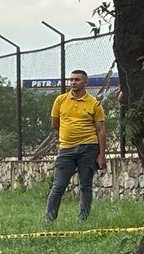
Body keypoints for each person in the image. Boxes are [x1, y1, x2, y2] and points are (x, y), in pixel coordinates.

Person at [45, 69, 107, 222]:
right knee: (58, 186)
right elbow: (55, 124)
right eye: (71, 79)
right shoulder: (60, 100)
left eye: (77, 80)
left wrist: (101, 155)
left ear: (85, 83)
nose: (73, 82)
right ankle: (49, 220)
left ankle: (83, 219)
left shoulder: (94, 103)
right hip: (66, 149)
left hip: (89, 148)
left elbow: (101, 130)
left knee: (85, 185)